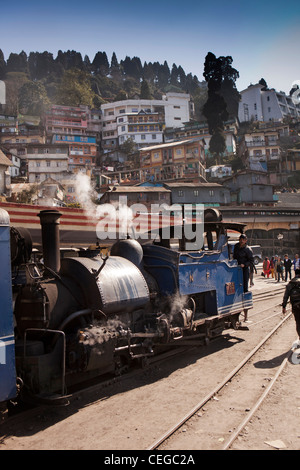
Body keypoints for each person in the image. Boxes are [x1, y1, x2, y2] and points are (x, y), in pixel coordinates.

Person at [282, 269, 300, 342]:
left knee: (298, 322)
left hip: (295, 306)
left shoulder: (290, 284)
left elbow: (286, 296)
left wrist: (284, 307)